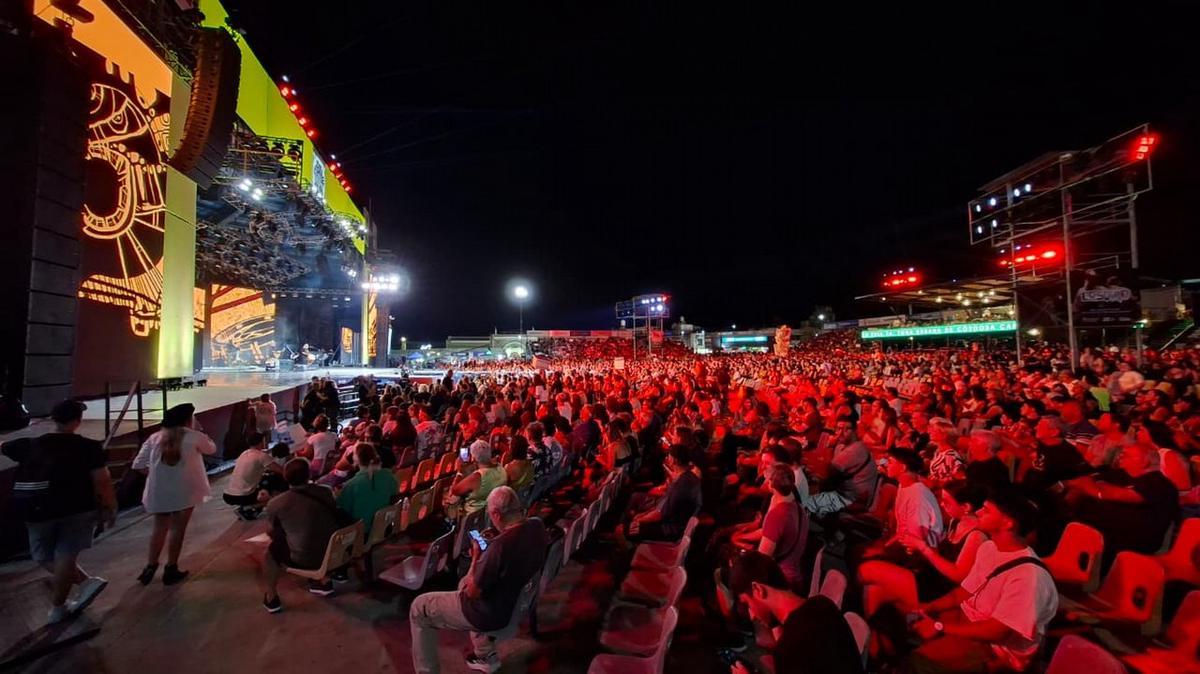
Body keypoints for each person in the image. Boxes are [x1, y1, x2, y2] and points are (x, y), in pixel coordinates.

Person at [907, 490, 1058, 673]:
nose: (978, 512)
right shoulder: (989, 547)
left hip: (998, 649)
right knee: (906, 621)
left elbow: (997, 632)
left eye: (986, 510)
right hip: (972, 618)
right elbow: (965, 591)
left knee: (919, 661)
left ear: (1008, 523)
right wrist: (931, 607)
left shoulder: (1029, 577)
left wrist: (940, 627)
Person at [410, 486, 548, 673]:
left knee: (420, 608)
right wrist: (496, 542)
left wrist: (476, 556)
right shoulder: (536, 525)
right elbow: (516, 545)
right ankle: (485, 654)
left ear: (497, 515)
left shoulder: (499, 548)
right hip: (519, 601)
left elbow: (473, 592)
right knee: (463, 582)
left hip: (490, 613)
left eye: (491, 515)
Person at [2, 400, 116, 623]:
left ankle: (70, 597)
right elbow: (102, 480)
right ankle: (63, 603)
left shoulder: (29, 444)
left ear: (53, 419)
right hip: (79, 509)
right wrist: (111, 507)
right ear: (78, 421)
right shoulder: (90, 448)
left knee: (43, 556)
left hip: (38, 509)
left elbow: (3, 446)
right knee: (66, 556)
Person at [132, 403, 216, 586]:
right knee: (178, 530)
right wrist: (201, 430)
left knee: (159, 529)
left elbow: (138, 465)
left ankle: (150, 566)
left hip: (159, 492)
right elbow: (211, 449)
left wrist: (156, 475)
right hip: (185, 491)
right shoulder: (194, 436)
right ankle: (171, 568)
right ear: (188, 420)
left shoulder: (155, 437)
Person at [1065, 442, 1181, 566]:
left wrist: (1097, 488)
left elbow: (1114, 494)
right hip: (1093, 526)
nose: (1120, 456)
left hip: (1129, 539)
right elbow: (1085, 482)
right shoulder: (1120, 474)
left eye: (1126, 455)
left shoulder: (1159, 484)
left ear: (1145, 462)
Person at [262, 458, 344, 611]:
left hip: (304, 558)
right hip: (334, 551)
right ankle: (324, 581)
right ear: (308, 474)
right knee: (315, 532)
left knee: (270, 552)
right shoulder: (325, 492)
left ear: (286, 477)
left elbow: (271, 530)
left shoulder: (276, 503)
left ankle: (271, 597)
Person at [620, 445, 702, 543]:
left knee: (620, 530)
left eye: (669, 456)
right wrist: (643, 515)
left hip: (669, 530)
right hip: (678, 526)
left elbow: (659, 514)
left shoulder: (678, 485)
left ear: (675, 460)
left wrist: (639, 520)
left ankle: (630, 554)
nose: (667, 458)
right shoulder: (691, 477)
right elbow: (662, 507)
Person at [806, 417, 878, 517]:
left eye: (847, 429)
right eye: (839, 429)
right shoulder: (841, 445)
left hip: (853, 498)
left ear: (855, 431)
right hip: (844, 490)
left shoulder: (855, 450)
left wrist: (829, 446)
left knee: (806, 503)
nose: (841, 433)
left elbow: (827, 471)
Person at [223, 432, 286, 520]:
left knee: (261, 482)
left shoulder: (243, 454)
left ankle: (247, 508)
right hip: (243, 496)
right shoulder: (261, 456)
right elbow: (282, 471)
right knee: (274, 489)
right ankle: (248, 507)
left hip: (228, 495)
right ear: (261, 442)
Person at [336, 442, 398, 528]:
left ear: (356, 459)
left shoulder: (351, 485)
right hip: (385, 526)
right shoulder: (388, 475)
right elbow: (394, 496)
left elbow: (342, 510)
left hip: (361, 532)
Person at [448, 440, 508, 515]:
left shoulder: (477, 477)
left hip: (475, 515)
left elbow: (455, 490)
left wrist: (459, 472)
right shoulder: (501, 467)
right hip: (495, 511)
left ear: (473, 458)